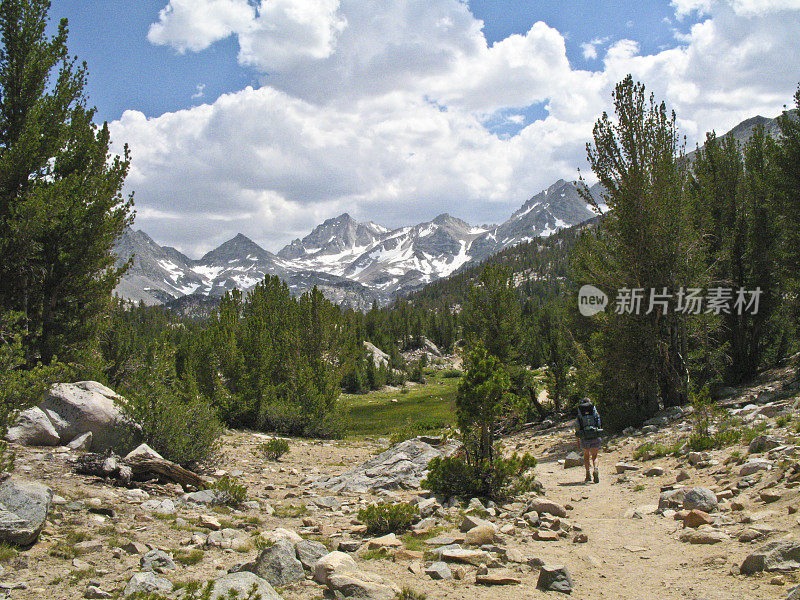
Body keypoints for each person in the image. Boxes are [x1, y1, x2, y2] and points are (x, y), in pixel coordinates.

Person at [575, 399, 603, 483]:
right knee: (595, 456)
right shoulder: (595, 413)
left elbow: (577, 428)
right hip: (595, 435)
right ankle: (596, 469)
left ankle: (588, 474)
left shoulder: (580, 414)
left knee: (586, 456)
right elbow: (599, 424)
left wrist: (577, 441)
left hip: (584, 437)